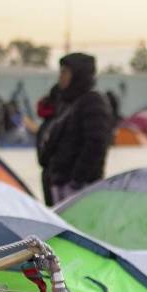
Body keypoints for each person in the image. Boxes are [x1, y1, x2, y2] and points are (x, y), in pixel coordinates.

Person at [37, 52, 113, 205]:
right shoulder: (66, 103)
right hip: (60, 183)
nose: (60, 77)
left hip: (77, 188)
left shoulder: (92, 101)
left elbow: (96, 143)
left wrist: (77, 179)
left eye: (65, 72)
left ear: (78, 75)